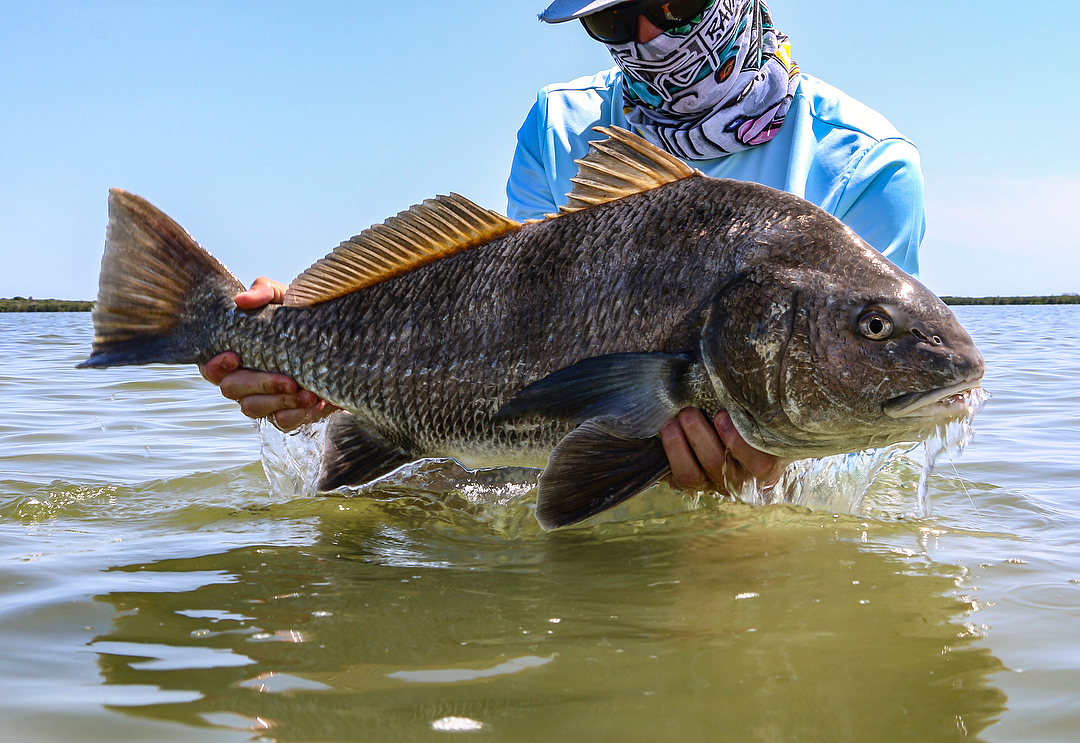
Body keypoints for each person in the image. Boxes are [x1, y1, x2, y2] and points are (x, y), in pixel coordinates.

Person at [202, 0, 925, 497]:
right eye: (612, 17)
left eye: (672, 3)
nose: (646, 36)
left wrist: (774, 475)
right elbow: (502, 330)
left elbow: (876, 434)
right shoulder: (558, 124)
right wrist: (319, 353)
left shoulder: (868, 169)